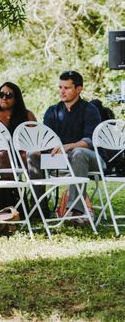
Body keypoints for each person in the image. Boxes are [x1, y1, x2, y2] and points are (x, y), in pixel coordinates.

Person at [42, 70, 102, 218]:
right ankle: (39, 207)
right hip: (60, 160)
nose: (62, 91)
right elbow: (46, 140)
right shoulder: (52, 111)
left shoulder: (90, 110)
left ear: (79, 89)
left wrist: (69, 146)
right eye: (60, 87)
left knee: (79, 152)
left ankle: (75, 210)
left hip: (92, 161)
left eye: (67, 88)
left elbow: (90, 141)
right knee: (32, 156)